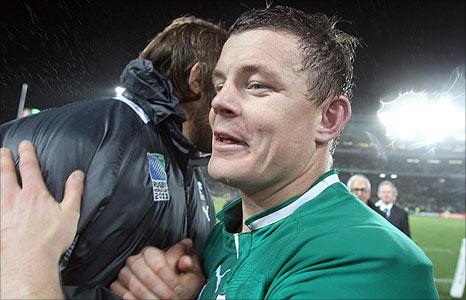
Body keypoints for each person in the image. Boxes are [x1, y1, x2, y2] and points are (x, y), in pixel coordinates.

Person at [0, 5, 438, 300]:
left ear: (329, 119)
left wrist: (25, 268)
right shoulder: (216, 244)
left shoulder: (372, 261)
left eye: (257, 85)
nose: (220, 103)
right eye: (219, 84)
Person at [0, 16, 226, 299]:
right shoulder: (88, 139)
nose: (231, 103)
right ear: (196, 80)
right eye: (222, 85)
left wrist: (193, 285)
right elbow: (17, 269)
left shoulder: (188, 169)